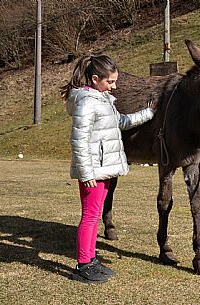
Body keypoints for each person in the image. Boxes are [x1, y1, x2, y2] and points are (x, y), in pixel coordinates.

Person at [60, 54, 156, 284]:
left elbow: (121, 122)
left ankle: (91, 260)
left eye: (115, 81)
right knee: (90, 216)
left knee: (94, 215)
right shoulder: (86, 102)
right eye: (110, 82)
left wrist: (149, 113)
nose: (115, 86)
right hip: (93, 172)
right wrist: (86, 173)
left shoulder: (103, 100)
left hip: (106, 170)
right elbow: (79, 141)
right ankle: (83, 264)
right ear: (95, 79)